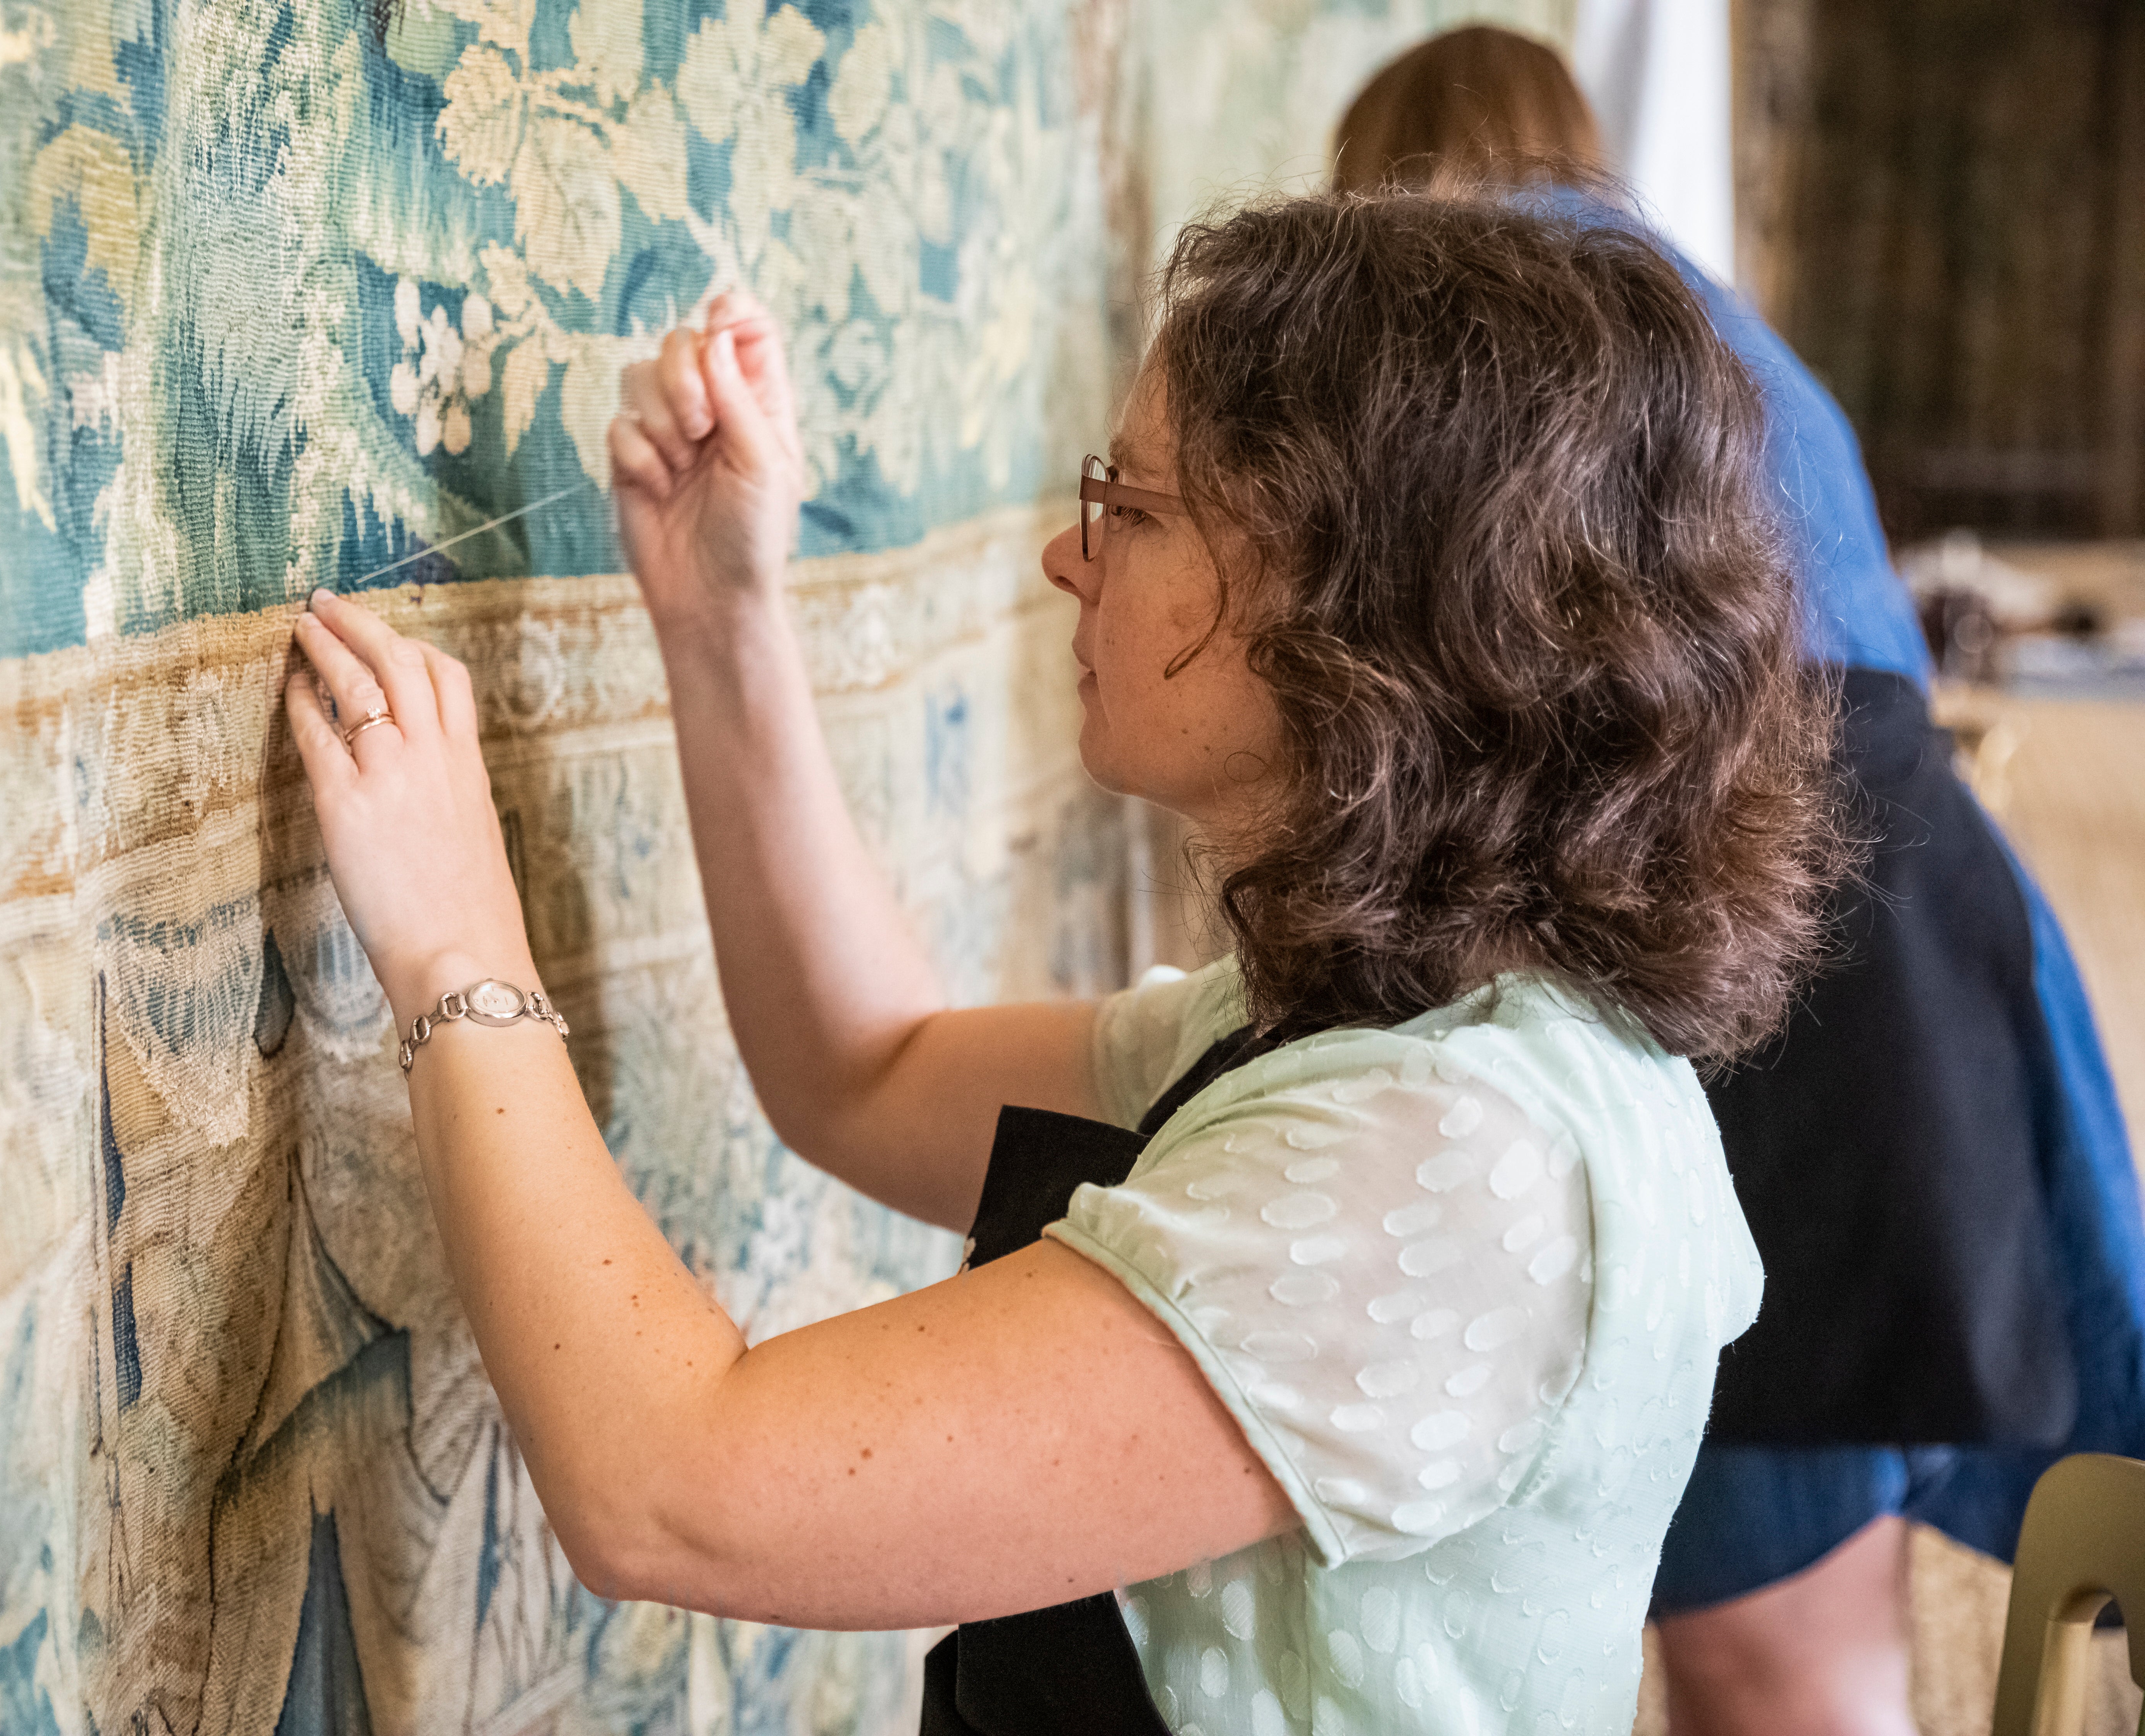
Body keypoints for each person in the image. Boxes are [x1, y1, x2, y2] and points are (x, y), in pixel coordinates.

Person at [280, 194, 1847, 1734]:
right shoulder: (1411, 1029)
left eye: (1137, 506)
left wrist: (455, 947)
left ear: (1353, 602)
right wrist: (722, 614)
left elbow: (668, 1488)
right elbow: (865, 1066)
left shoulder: (1448, 1168)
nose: (1065, 555)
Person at [1332, 27, 2145, 1736]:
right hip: (1883, 931)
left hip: (1792, 964)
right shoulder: (1694, 310)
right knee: (1791, 1633)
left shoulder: (1507, 322)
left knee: (1771, 1657)